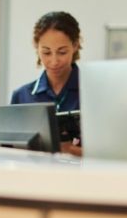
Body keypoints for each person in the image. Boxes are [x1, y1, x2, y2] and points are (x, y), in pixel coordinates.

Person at [10, 10, 83, 155]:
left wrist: (71, 151)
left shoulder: (94, 93)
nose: (54, 61)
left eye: (62, 52)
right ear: (36, 47)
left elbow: (110, 154)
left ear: (75, 45)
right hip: (34, 176)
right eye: (46, 52)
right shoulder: (21, 96)